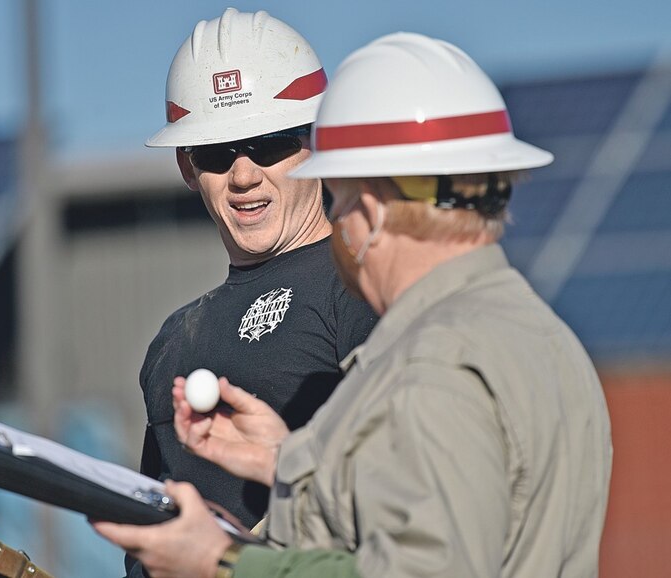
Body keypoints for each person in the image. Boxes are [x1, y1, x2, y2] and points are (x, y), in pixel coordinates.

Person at [96, 32, 613, 578]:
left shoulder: (433, 361)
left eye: (337, 195)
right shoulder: (544, 338)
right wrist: (288, 464)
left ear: (371, 211)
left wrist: (225, 563)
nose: (245, 175)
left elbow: (421, 566)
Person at [125, 8, 378, 575]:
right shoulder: (171, 342)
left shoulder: (364, 288)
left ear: (314, 143)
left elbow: (394, 498)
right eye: (216, 153)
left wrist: (232, 560)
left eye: (267, 145)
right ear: (187, 167)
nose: (243, 176)